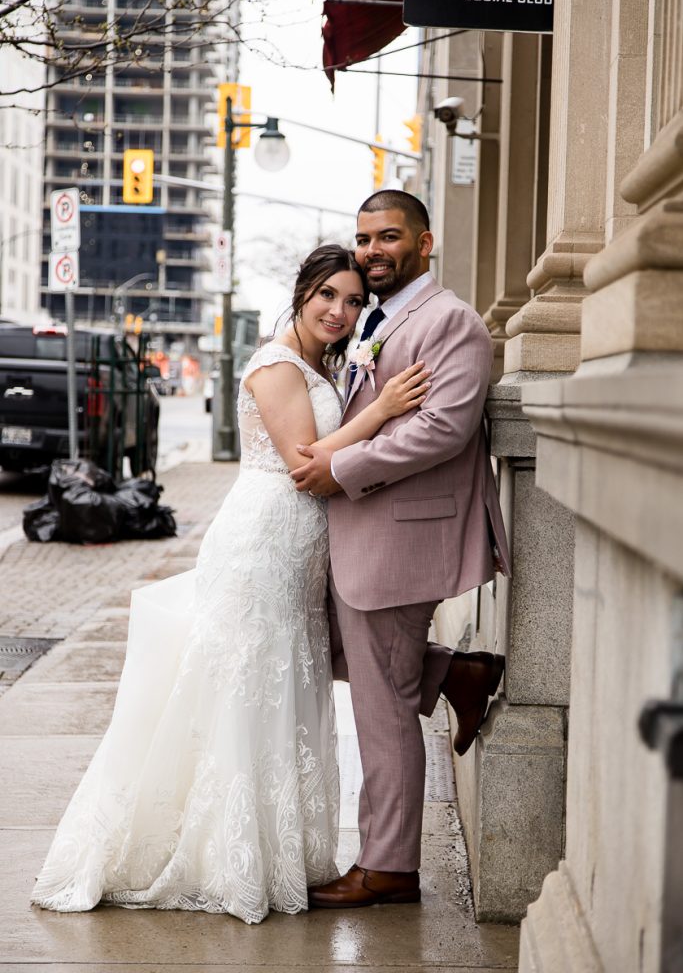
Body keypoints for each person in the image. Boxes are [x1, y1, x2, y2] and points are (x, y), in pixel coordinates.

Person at [30, 243, 431, 925]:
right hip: (263, 541)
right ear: (302, 292)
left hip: (301, 547)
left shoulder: (317, 364)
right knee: (245, 687)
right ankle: (224, 856)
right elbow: (305, 457)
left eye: (353, 301)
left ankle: (276, 851)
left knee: (286, 684)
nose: (340, 310)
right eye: (328, 295)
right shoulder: (275, 364)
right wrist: (382, 407)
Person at [291, 191, 512, 909]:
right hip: (361, 533)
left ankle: (388, 866)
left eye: (388, 236)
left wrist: (341, 469)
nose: (372, 250)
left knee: (381, 709)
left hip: (399, 535)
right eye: (362, 238)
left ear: (425, 241)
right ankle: (453, 674)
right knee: (319, 648)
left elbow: (443, 430)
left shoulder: (451, 322)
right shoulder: (371, 318)